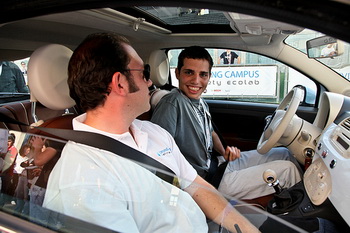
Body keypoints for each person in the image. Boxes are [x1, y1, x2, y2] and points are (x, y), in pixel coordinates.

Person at [43, 33, 259, 233]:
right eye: (143, 72)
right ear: (120, 82)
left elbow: (197, 187)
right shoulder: (83, 181)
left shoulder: (153, 132)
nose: (150, 81)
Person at [151, 46, 302, 200]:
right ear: (177, 73)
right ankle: (303, 217)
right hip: (204, 181)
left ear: (209, 77)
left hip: (217, 163)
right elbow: (158, 154)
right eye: (189, 72)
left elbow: (211, 133)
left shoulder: (200, 102)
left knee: (284, 153)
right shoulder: (172, 104)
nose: (196, 81)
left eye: (203, 74)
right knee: (287, 171)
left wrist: (224, 152)